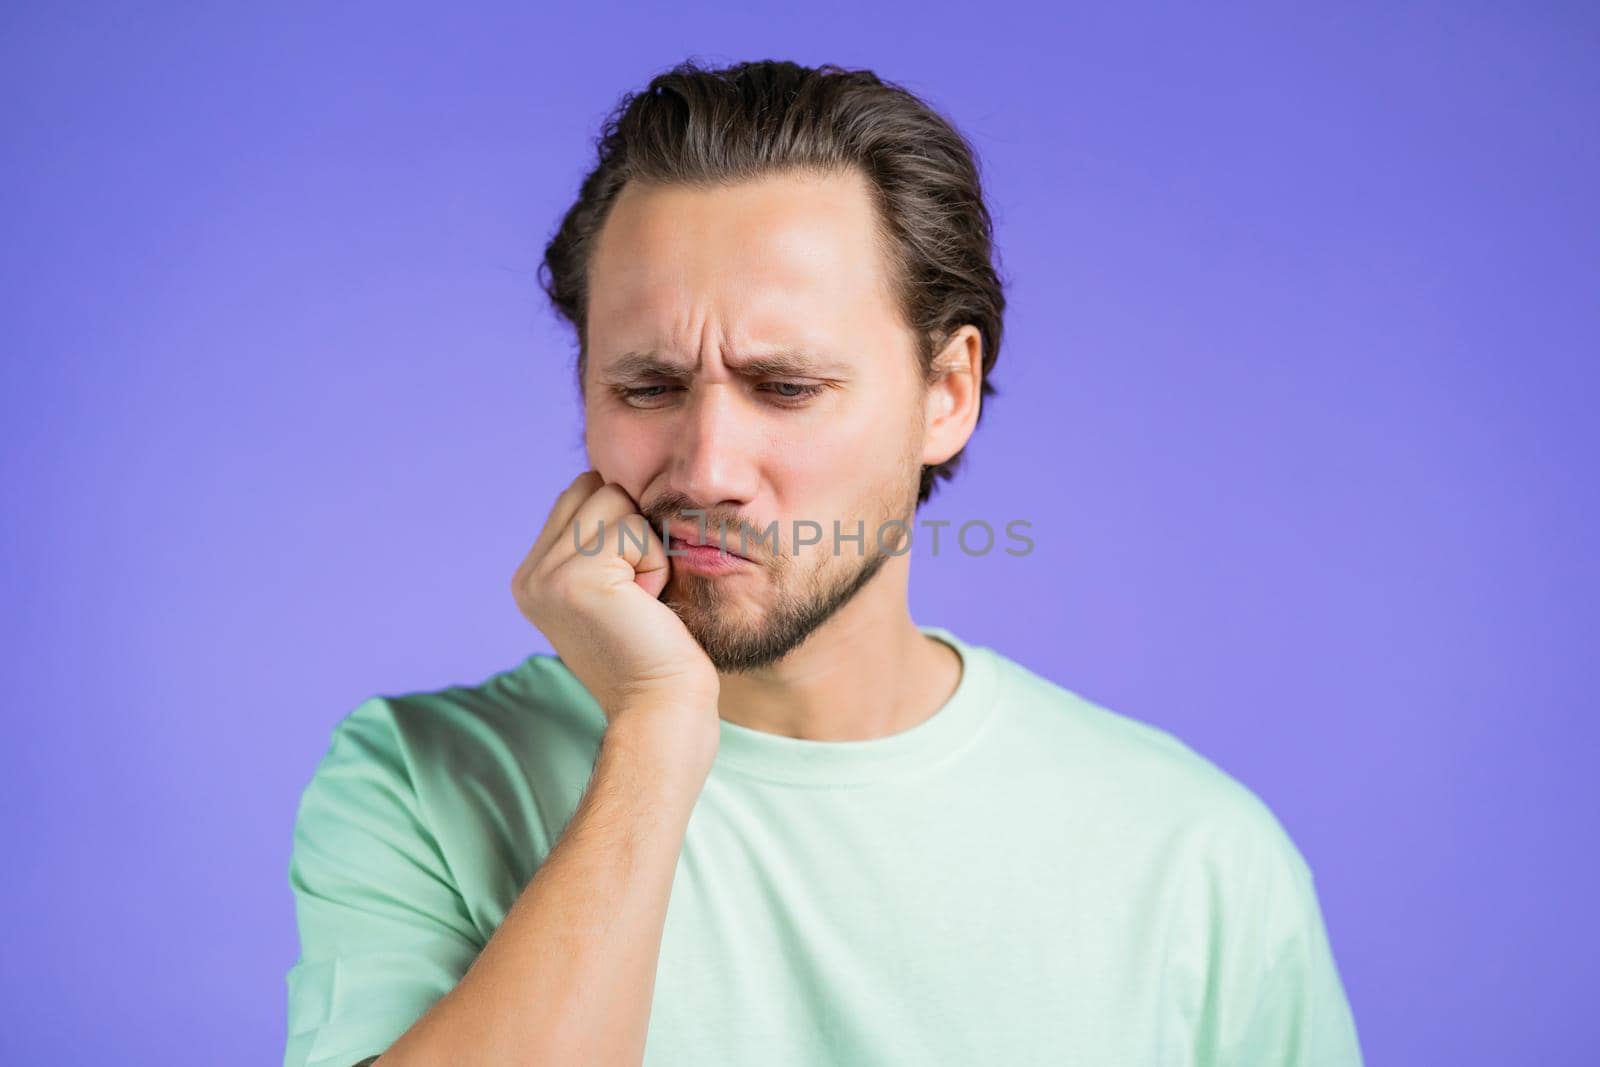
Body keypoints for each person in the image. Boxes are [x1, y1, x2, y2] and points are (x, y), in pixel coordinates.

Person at [284, 58, 1364, 1067]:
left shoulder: (1195, 854)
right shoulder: (420, 781)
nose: (706, 468)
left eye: (787, 387)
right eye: (646, 387)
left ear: (946, 393)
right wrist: (659, 729)